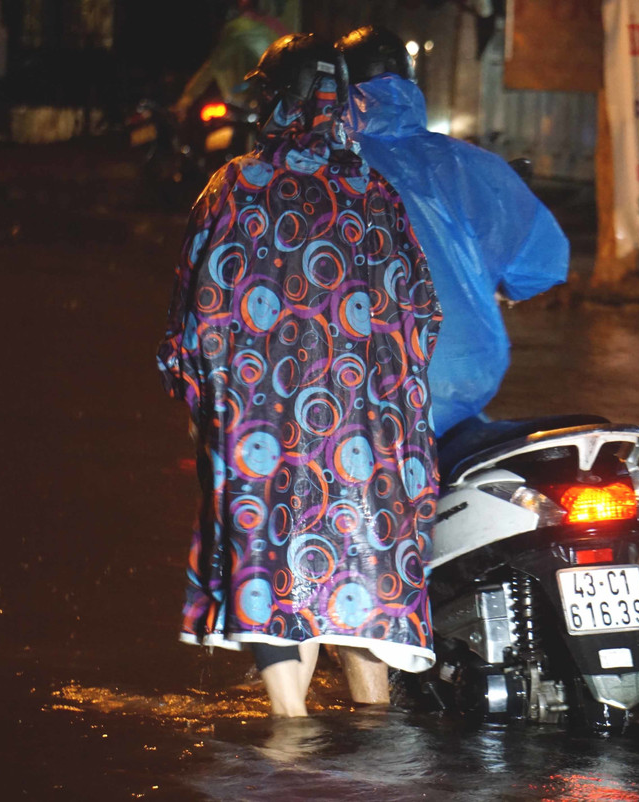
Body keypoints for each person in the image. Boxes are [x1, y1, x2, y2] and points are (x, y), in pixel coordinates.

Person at [156, 33, 442, 717]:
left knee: (277, 594)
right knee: (365, 597)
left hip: (266, 451)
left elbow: (188, 334)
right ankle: (375, 733)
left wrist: (215, 414)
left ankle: (292, 750)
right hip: (366, 456)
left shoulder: (234, 189)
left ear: (274, 101)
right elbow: (422, 320)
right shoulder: (375, 193)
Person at [338, 26, 569, 436]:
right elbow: (543, 265)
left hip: (365, 384)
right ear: (411, 84)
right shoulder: (470, 163)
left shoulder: (322, 172)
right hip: (471, 375)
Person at [171, 0, 290, 119]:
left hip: (249, 101)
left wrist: (186, 99)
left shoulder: (237, 28)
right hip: (275, 101)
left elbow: (213, 65)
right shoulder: (275, 28)